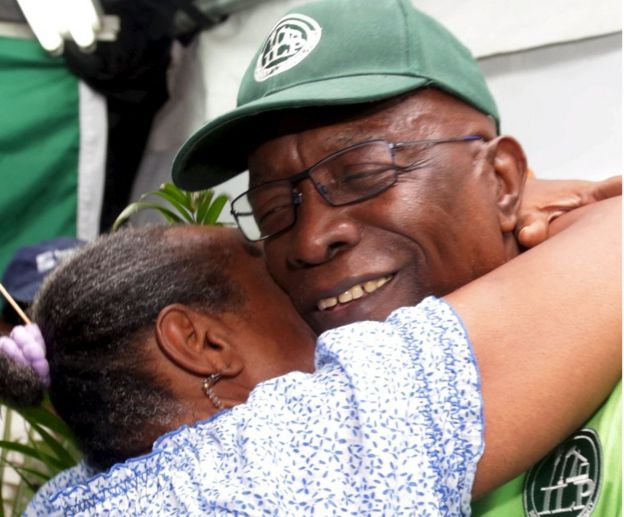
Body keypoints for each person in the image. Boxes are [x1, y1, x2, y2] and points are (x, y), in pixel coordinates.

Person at [170, 0, 621, 514]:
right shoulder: (282, 444)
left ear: (501, 180)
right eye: (273, 209)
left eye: (362, 174)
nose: (312, 239)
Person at [1, 193, 620, 514]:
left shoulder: (67, 499)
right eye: (265, 273)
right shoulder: (280, 461)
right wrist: (517, 198)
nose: (306, 280)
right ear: (201, 343)